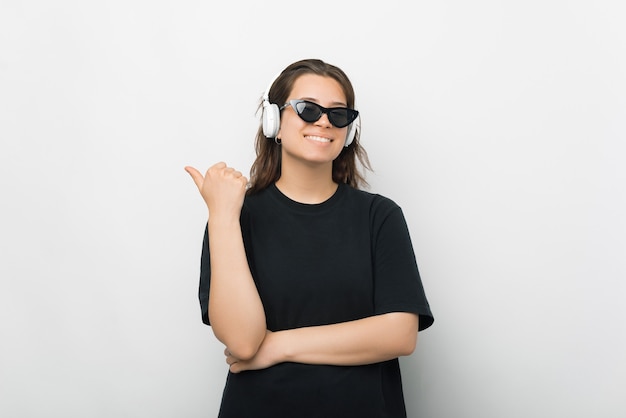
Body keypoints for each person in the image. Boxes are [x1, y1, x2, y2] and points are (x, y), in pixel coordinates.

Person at [185, 58, 434, 418]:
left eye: (338, 114)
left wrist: (278, 346)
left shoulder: (379, 216)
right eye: (307, 109)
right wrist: (223, 214)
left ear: (348, 130)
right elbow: (241, 340)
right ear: (275, 123)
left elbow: (400, 334)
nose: (323, 121)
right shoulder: (235, 217)